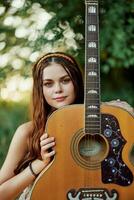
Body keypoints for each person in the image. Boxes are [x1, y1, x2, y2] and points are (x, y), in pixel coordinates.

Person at [0, 52, 84, 200]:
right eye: (48, 84)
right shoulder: (28, 132)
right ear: (41, 89)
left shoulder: (97, 122)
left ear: (76, 82)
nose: (57, 89)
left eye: (65, 80)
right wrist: (40, 163)